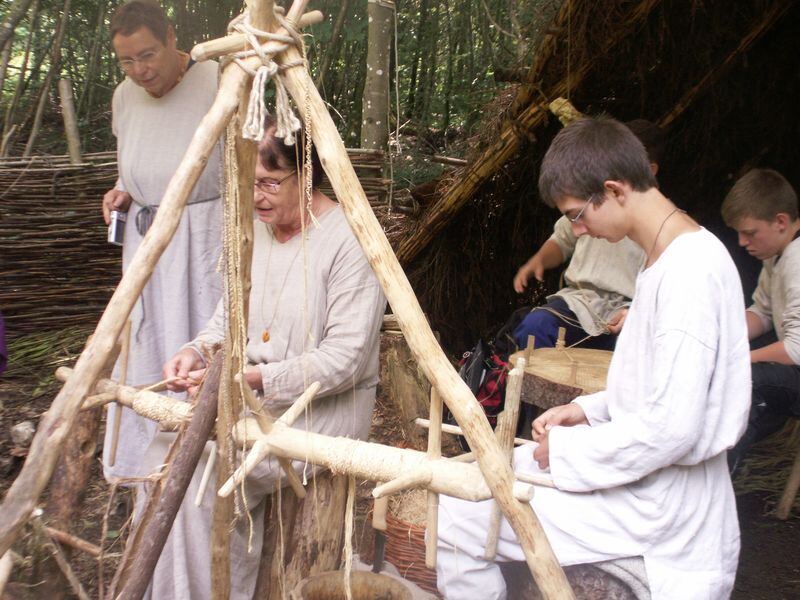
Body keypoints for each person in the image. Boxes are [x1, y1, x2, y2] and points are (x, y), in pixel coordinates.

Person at [437, 117, 751, 599]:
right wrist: (589, 410)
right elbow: (659, 390)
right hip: (648, 484)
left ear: (614, 190)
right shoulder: (666, 256)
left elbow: (673, 427)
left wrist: (566, 453)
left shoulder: (689, 274)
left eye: (578, 215)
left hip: (663, 506)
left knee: (460, 513)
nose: (577, 230)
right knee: (466, 485)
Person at [154, 118, 386, 599]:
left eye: (268, 182)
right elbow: (227, 319)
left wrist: (253, 381)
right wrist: (194, 351)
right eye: (248, 183)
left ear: (306, 174)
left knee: (204, 475)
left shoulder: (351, 239)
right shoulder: (254, 232)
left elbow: (344, 360)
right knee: (166, 455)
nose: (256, 196)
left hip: (322, 412)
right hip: (255, 397)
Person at [100, 0, 223, 482]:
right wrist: (123, 187)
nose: (139, 70)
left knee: (196, 337)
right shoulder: (124, 96)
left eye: (147, 55)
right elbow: (133, 157)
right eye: (127, 61)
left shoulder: (215, 79)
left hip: (202, 237)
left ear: (172, 38)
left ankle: (198, 455)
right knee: (146, 345)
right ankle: (143, 465)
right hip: (144, 239)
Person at [510, 120, 666, 351]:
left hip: (628, 314)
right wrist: (539, 260)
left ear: (649, 171)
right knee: (535, 328)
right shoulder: (588, 209)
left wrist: (641, 312)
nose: (579, 228)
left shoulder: (667, 235)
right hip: (580, 303)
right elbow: (562, 239)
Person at [721, 169, 800, 474]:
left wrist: (738, 358)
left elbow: (795, 348)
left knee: (741, 380)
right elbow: (762, 312)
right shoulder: (776, 256)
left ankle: (722, 478)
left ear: (780, 222)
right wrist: (723, 336)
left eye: (750, 233)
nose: (742, 242)